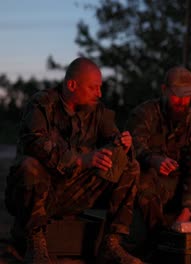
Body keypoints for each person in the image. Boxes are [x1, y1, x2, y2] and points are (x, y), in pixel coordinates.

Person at [4, 57, 143, 263]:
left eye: (100, 87)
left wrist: (122, 144)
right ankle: (36, 244)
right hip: (41, 192)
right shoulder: (42, 103)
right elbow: (35, 144)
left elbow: (113, 142)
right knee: (29, 165)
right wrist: (81, 160)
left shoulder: (98, 111)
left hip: (76, 191)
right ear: (71, 85)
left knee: (130, 166)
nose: (99, 93)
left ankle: (111, 244)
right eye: (93, 87)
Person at [126, 66, 191, 239]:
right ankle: (158, 238)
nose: (182, 101)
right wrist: (153, 159)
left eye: (187, 97)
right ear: (164, 90)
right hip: (152, 184)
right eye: (177, 95)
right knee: (142, 178)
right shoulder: (145, 114)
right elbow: (133, 147)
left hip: (182, 187)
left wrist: (186, 212)